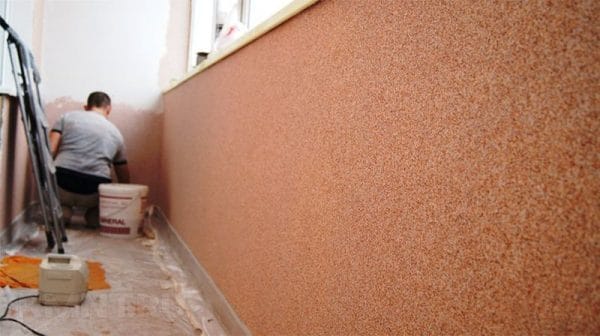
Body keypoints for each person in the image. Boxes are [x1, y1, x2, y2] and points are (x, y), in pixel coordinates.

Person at [49, 91, 130, 227]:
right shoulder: (116, 133)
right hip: (94, 189)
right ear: (108, 109)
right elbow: (122, 171)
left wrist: (44, 177)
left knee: (61, 204)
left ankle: (63, 212)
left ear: (86, 107)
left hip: (62, 182)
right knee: (96, 215)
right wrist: (124, 196)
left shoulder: (66, 118)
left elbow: (50, 150)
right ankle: (94, 215)